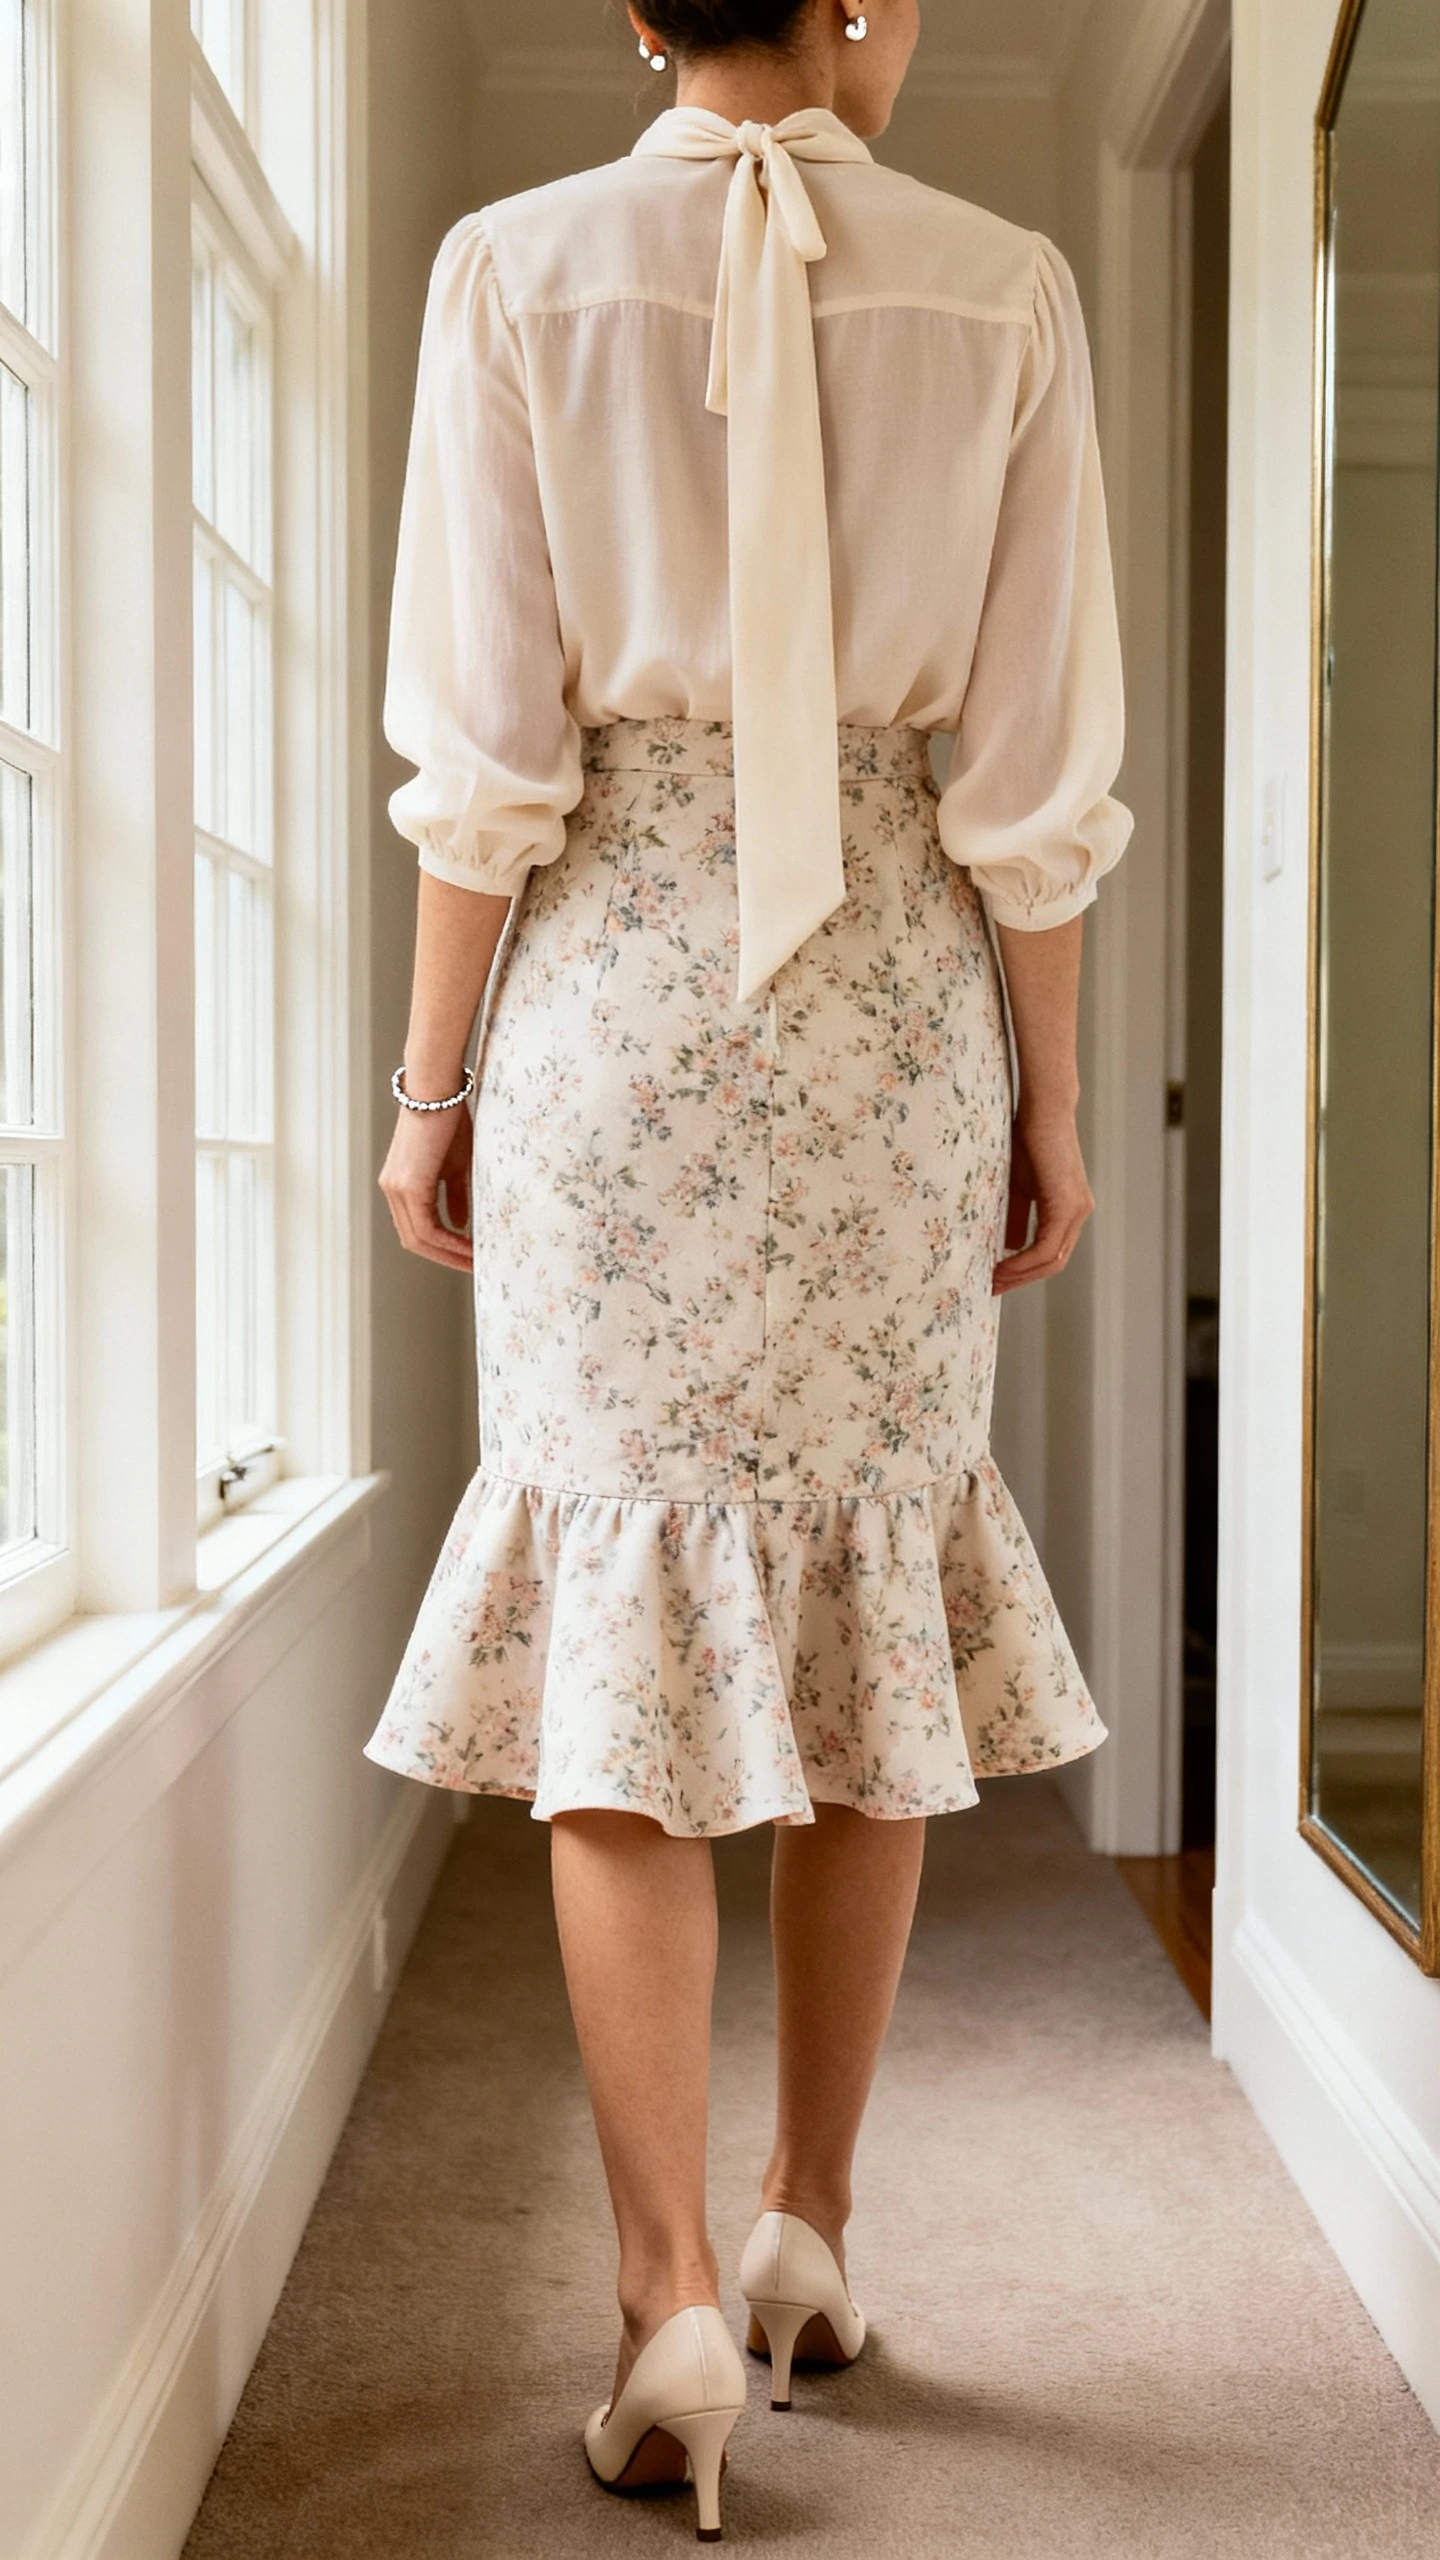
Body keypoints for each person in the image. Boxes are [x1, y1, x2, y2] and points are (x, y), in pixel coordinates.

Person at [368, 0, 1131, 2538]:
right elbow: (1034, 773)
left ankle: (663, 2289)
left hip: (609, 1018)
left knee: (624, 1635)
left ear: (632, 11)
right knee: (856, 1605)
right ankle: (812, 2219)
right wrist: (1040, 1091)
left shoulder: (510, 268)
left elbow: (485, 756)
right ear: (872, 5)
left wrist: (431, 1079)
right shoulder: (1006, 285)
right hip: (895, 1007)